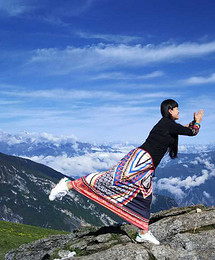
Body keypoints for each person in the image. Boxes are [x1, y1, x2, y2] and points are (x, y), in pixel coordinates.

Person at [49, 99, 203, 245]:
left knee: (145, 196)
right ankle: (69, 185)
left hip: (145, 164)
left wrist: (191, 124)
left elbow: (182, 129)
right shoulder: (167, 124)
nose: (179, 111)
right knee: (110, 179)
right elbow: (192, 132)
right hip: (140, 160)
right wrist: (197, 122)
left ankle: (143, 232)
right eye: (177, 109)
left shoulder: (168, 124)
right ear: (170, 110)